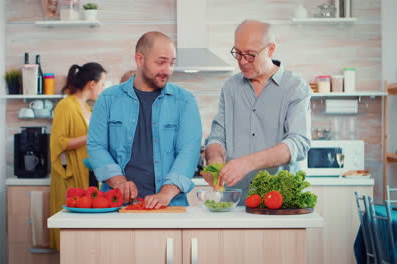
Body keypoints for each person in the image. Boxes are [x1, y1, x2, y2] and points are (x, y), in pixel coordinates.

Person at [87, 31, 202, 208]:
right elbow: (96, 146)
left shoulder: (185, 101)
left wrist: (165, 193)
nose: (168, 70)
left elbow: (188, 151)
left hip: (169, 205)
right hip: (115, 205)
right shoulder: (108, 99)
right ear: (140, 60)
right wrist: (119, 183)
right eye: (161, 62)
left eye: (172, 63)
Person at [203, 20, 312, 202]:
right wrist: (214, 160)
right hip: (235, 200)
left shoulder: (296, 87)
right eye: (237, 53)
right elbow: (217, 137)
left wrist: (247, 163)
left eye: (251, 55)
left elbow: (298, 143)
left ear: (270, 50)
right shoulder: (231, 87)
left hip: (280, 202)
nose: (243, 62)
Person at [49, 62, 107, 250]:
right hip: (71, 175)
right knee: (71, 232)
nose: (102, 88)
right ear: (92, 84)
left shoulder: (86, 107)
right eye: (102, 84)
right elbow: (60, 143)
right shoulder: (66, 105)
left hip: (87, 172)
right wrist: (92, 136)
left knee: (85, 232)